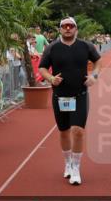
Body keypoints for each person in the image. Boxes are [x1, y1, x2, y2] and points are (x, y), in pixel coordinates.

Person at [38, 17, 102, 186]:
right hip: (60, 97)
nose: (67, 28)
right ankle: (67, 162)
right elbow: (42, 68)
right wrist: (51, 78)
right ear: (60, 29)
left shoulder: (85, 46)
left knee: (78, 131)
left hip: (80, 95)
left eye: (71, 26)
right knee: (64, 131)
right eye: (64, 26)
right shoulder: (52, 48)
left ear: (76, 29)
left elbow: (98, 61)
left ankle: (76, 167)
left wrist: (94, 76)